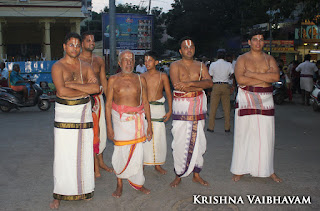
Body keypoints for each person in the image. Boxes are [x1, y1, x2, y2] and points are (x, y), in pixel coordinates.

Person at [50, 32, 100, 209]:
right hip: (64, 113)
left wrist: (74, 85)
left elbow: (96, 87)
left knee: (84, 152)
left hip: (83, 113)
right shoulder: (58, 66)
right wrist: (85, 91)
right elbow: (62, 92)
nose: (75, 48)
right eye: (71, 44)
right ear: (64, 47)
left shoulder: (85, 66)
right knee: (63, 155)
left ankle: (85, 189)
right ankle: (59, 194)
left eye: (77, 45)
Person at [230, 31, 282, 183]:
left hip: (266, 99)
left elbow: (275, 78)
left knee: (266, 135)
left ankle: (268, 170)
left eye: (261, 40)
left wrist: (251, 74)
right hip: (246, 97)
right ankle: (240, 169)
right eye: (255, 40)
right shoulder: (242, 59)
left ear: (264, 42)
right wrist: (263, 78)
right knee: (243, 134)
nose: (258, 42)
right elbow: (240, 79)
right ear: (249, 42)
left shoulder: (269, 58)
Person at [106, 50, 152, 198]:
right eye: (125, 60)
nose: (128, 62)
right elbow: (108, 105)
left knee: (138, 153)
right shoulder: (113, 79)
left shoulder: (140, 79)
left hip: (137, 121)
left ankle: (138, 182)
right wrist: (109, 127)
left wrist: (149, 125)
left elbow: (145, 102)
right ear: (119, 63)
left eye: (131, 59)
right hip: (120, 122)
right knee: (120, 152)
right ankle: (119, 184)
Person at [169, 37, 213, 187]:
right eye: (186, 47)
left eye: (192, 47)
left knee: (199, 140)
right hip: (181, 106)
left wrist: (191, 84)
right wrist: (200, 86)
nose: (189, 49)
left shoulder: (201, 66)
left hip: (198, 105)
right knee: (179, 141)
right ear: (180, 51)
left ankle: (196, 174)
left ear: (194, 49)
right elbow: (177, 86)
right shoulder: (175, 66)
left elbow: (209, 83)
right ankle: (178, 174)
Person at [79, 31, 113, 178]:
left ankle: (100, 161)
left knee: (101, 131)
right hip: (84, 101)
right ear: (82, 43)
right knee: (89, 133)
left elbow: (103, 81)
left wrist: (109, 99)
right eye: (88, 40)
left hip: (99, 99)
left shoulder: (99, 60)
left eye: (93, 40)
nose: (91, 43)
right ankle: (92, 165)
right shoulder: (77, 60)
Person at [141, 51, 172, 175]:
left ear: (156, 62)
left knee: (159, 137)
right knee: (144, 136)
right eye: (145, 60)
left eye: (149, 60)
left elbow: (168, 93)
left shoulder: (162, 76)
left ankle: (158, 164)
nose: (147, 63)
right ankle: (143, 163)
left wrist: (170, 110)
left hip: (159, 109)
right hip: (145, 108)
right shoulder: (142, 76)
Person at [207, 50, 233, 133]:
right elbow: (232, 75)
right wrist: (228, 78)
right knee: (226, 108)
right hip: (225, 86)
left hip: (216, 86)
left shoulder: (213, 64)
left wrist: (209, 89)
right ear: (225, 56)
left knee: (213, 107)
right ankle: (227, 127)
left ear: (217, 55)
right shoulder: (229, 64)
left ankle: (211, 127)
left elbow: (210, 76)